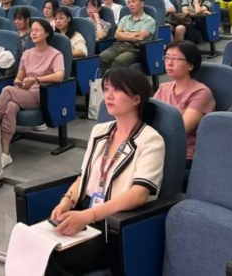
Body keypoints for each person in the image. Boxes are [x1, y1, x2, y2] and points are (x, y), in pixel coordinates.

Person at [43, 67, 164, 276]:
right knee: (36, 244)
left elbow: (139, 194)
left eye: (117, 90)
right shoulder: (100, 131)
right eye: (107, 89)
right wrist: (66, 201)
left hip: (114, 224)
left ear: (136, 99)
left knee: (54, 259)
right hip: (85, 212)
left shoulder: (151, 140)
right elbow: (84, 176)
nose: (108, 95)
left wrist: (88, 216)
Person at [0, 19, 65, 168]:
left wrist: (36, 80)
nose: (33, 33)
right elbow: (18, 77)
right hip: (23, 93)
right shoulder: (26, 54)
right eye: (31, 30)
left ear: (47, 33)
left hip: (42, 95)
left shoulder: (55, 54)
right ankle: (5, 153)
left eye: (37, 30)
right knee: (11, 107)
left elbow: (59, 76)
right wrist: (19, 83)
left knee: (7, 91)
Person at [154, 41, 215, 160]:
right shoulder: (163, 88)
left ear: (190, 66)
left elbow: (180, 129)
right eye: (167, 57)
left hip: (184, 154)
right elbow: (148, 117)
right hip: (158, 147)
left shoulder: (201, 92)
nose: (169, 63)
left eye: (176, 59)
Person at [100, 0, 156, 73]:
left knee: (120, 60)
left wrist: (123, 33)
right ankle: (103, 79)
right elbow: (116, 34)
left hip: (135, 48)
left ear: (141, 3)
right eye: (129, 2)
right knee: (102, 57)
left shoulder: (149, 20)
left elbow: (139, 37)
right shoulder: (125, 18)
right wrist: (131, 36)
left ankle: (111, 79)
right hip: (118, 45)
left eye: (133, 2)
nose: (130, 5)